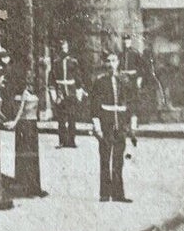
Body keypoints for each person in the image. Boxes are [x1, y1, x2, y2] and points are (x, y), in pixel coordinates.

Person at [90, 50, 139, 202]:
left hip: (121, 124)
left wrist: (132, 123)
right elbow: (94, 106)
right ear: (105, 64)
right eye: (109, 61)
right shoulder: (99, 82)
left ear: (118, 62)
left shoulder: (125, 81)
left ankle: (118, 194)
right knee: (105, 158)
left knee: (118, 160)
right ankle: (104, 194)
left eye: (114, 61)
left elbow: (131, 102)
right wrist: (97, 125)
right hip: (106, 124)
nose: (111, 64)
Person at [49, 38, 81, 147]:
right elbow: (52, 79)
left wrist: (79, 91)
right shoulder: (56, 62)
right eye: (61, 46)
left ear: (68, 47)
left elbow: (78, 78)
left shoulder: (73, 62)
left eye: (65, 45)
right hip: (60, 92)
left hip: (71, 92)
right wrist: (54, 93)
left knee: (72, 117)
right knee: (61, 119)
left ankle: (72, 141)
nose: (63, 48)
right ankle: (62, 141)